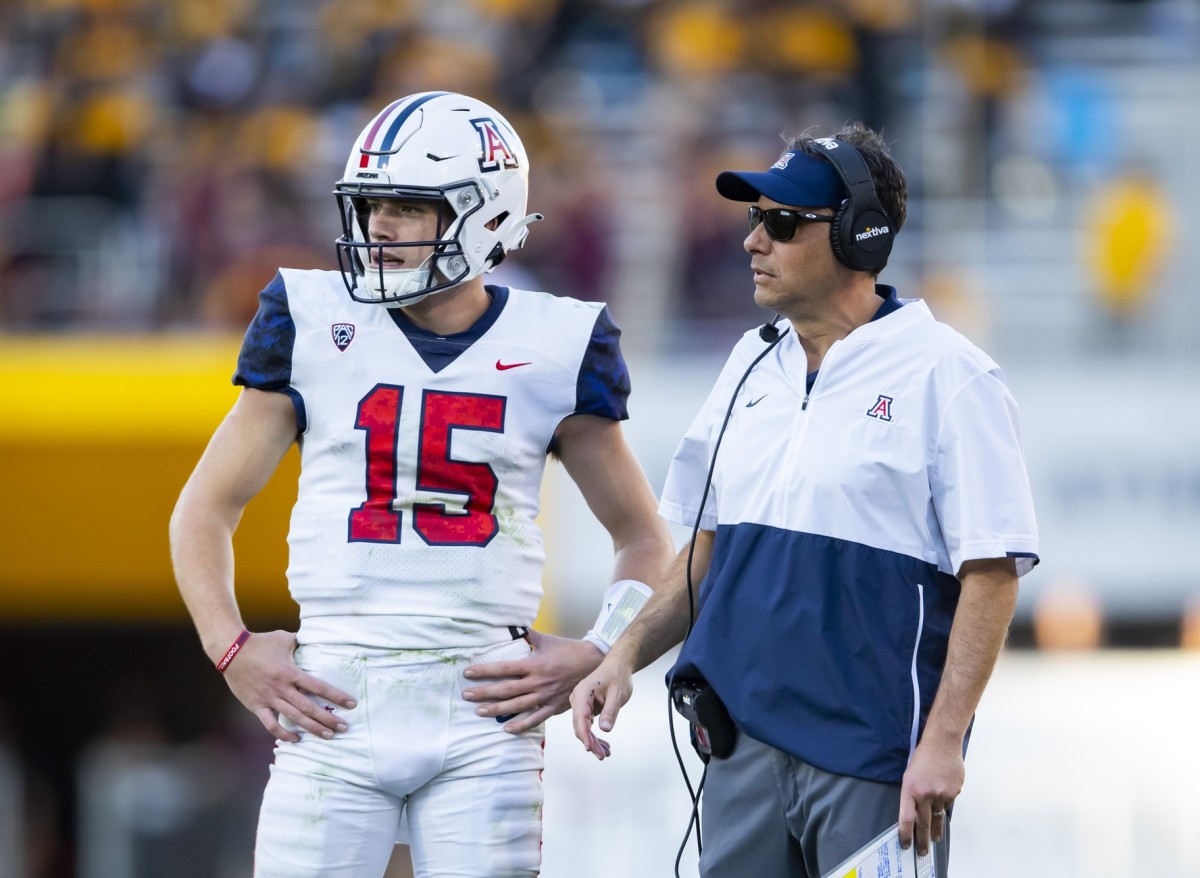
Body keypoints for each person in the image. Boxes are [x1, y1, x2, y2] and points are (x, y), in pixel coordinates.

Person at [169, 91, 673, 878]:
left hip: (485, 709)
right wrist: (229, 647)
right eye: (371, 206)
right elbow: (205, 508)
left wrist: (603, 646)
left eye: (408, 206)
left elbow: (642, 537)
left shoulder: (558, 343)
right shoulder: (308, 316)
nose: (380, 227)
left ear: (489, 214)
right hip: (330, 693)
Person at [570, 122, 1039, 877]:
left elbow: (992, 574)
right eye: (755, 218)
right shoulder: (749, 364)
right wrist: (624, 654)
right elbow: (705, 551)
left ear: (860, 236)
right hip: (741, 750)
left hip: (873, 755)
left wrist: (944, 742)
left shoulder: (953, 376)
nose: (755, 240)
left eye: (782, 223)